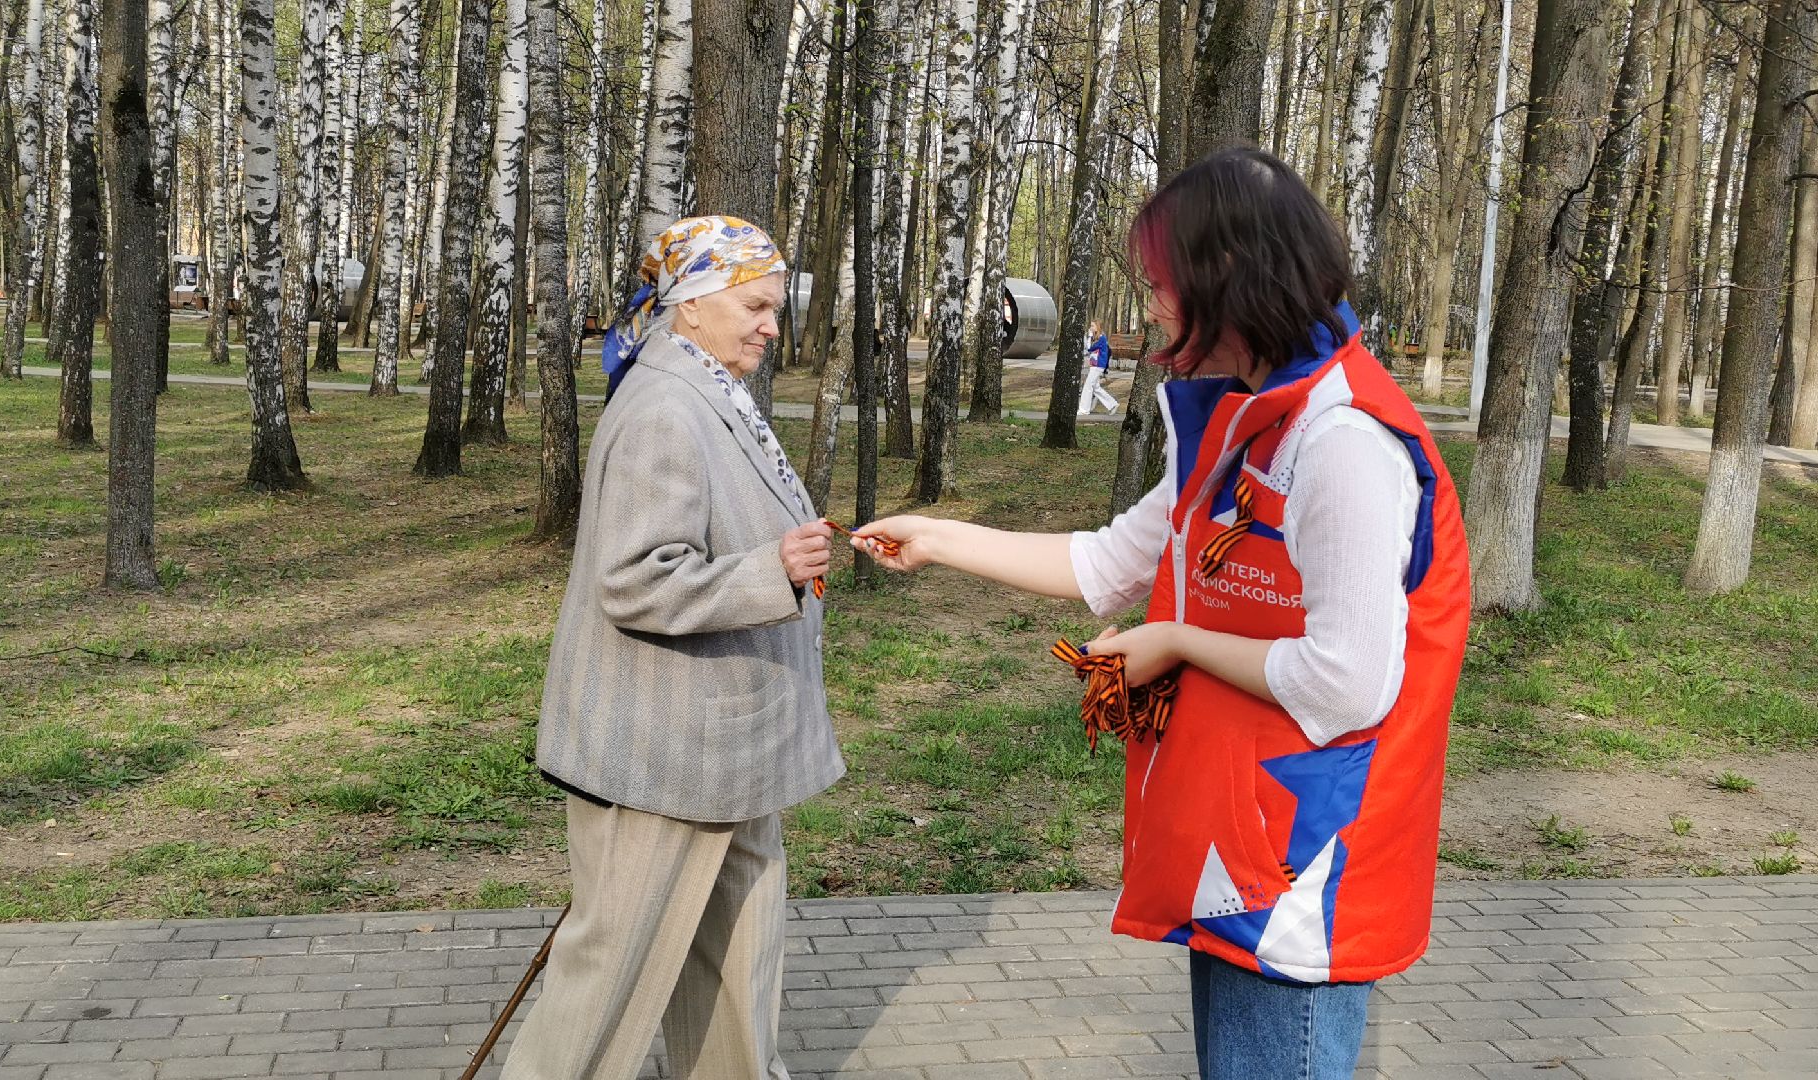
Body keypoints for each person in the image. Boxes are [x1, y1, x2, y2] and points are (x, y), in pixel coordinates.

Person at [851, 148, 1472, 1080]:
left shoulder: (1342, 444)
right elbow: (1106, 561)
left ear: (1228, 277)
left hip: (1307, 861)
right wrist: (938, 538)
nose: (1147, 306)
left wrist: (1175, 639)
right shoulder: (1239, 417)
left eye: (1158, 284)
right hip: (1238, 837)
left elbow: (1347, 683)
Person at [503, 215, 840, 1080]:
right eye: (757, 305)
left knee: (736, 967)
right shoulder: (663, 407)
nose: (773, 325)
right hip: (663, 758)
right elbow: (635, 579)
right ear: (691, 305)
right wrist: (774, 570)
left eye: (774, 306)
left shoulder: (707, 389)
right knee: (607, 988)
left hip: (725, 752)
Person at [1079, 319, 1118, 415]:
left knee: (1088, 386)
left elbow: (1089, 348)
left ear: (1098, 327)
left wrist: (1089, 336)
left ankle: (1084, 410)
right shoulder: (1098, 338)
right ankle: (1112, 404)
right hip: (1095, 365)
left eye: (1092, 326)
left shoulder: (1101, 338)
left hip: (1098, 365)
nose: (1090, 328)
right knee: (1096, 388)